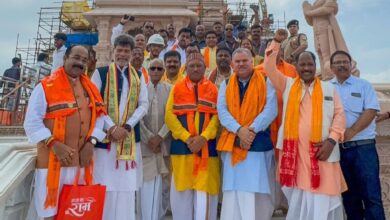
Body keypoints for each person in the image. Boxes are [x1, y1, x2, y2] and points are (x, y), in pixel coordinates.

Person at [264, 29, 347, 220]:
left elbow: (340, 116)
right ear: (297, 67)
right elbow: (268, 67)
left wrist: (332, 141)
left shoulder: (329, 88)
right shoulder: (288, 84)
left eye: (310, 64)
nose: (307, 68)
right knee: (299, 197)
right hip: (296, 154)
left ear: (315, 66)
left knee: (323, 197)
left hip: (322, 152)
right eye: (302, 64)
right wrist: (276, 42)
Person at [24, 45, 107, 219]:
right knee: (49, 211)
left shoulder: (90, 88)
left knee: (74, 211)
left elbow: (100, 117)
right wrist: (53, 144)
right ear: (65, 58)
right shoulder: (45, 86)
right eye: (76, 58)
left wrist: (91, 143)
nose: (80, 63)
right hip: (53, 161)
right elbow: (32, 122)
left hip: (81, 162)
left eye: (84, 60)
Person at [91, 34, 149, 220]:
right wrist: (111, 127)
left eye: (126, 51)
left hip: (129, 138)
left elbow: (144, 105)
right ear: (113, 51)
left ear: (132, 53)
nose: (123, 54)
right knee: (104, 183)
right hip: (106, 139)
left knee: (126, 186)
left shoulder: (139, 76)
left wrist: (127, 126)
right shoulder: (100, 73)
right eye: (120, 50)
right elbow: (95, 103)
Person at [217, 47, 277, 220]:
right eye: (238, 61)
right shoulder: (226, 84)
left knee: (259, 189)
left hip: (258, 142)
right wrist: (239, 130)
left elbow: (271, 109)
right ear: (232, 64)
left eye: (245, 61)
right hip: (234, 141)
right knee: (233, 190)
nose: (241, 64)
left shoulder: (266, 81)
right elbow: (222, 111)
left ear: (252, 62)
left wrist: (249, 131)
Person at [329, 50, 385, 220]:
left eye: (345, 62)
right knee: (349, 198)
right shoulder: (326, 88)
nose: (341, 65)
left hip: (363, 148)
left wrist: (351, 132)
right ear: (331, 67)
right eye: (337, 62)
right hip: (339, 151)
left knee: (371, 196)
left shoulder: (363, 85)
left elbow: (371, 110)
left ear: (351, 65)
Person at [165, 52, 220, 220]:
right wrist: (187, 138)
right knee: (181, 196)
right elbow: (169, 116)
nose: (195, 68)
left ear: (205, 68)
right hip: (182, 149)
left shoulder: (213, 89)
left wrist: (203, 138)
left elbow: (218, 117)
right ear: (186, 68)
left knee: (205, 197)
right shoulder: (177, 87)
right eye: (192, 66)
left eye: (199, 66)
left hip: (206, 150)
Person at [139, 58, 172, 220]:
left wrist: (160, 137)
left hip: (164, 145)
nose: (156, 71)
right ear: (148, 70)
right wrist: (149, 138)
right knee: (146, 182)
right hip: (146, 146)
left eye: (160, 69)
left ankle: (161, 216)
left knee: (164, 184)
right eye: (153, 68)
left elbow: (173, 116)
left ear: (164, 71)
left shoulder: (171, 90)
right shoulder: (141, 90)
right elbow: (136, 117)